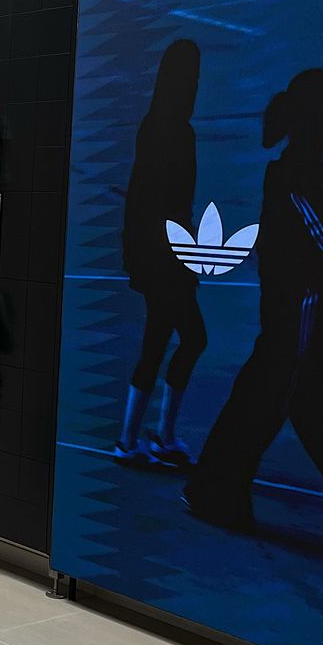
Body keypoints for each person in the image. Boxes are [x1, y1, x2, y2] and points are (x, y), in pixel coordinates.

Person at [185, 69, 323, 534]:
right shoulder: (302, 176)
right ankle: (213, 491)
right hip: (301, 316)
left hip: (290, 312)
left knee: (266, 399)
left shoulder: (293, 170)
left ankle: (213, 491)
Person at [115, 39, 207, 467]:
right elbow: (164, 202)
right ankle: (148, 439)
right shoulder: (174, 130)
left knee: (167, 341)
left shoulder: (157, 125)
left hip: (162, 257)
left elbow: (145, 197)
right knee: (183, 339)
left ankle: (142, 439)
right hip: (167, 259)